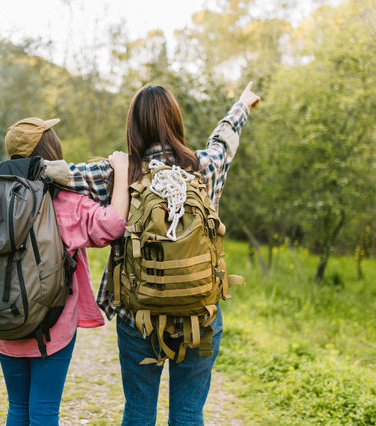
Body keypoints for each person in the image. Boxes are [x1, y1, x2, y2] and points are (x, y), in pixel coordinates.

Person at [64, 82, 260, 425]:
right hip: (200, 316)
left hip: (138, 317)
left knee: (139, 412)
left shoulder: (116, 174)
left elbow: (62, 175)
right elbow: (224, 139)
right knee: (187, 413)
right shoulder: (204, 167)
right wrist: (242, 104)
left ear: (133, 126)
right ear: (176, 120)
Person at [0, 117, 130, 425]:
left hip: (2, 318)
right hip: (50, 327)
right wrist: (121, 172)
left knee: (17, 407)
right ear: (50, 149)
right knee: (44, 411)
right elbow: (114, 224)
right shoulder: (64, 202)